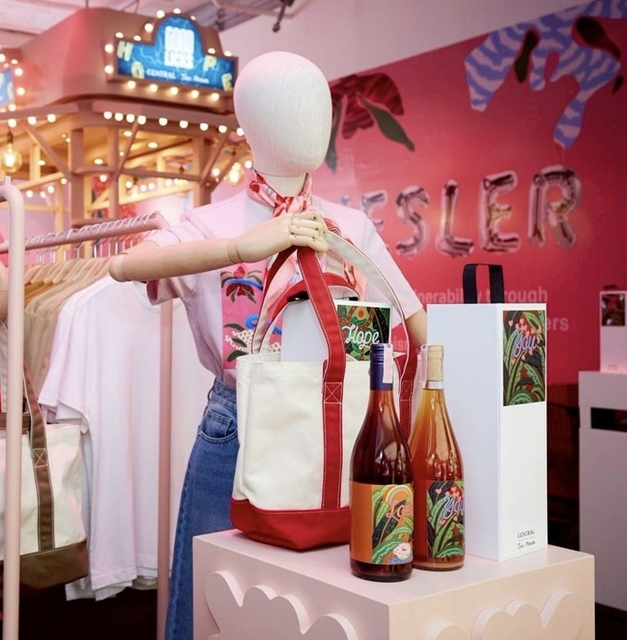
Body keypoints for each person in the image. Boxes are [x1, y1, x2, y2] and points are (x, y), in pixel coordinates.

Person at [109, 51, 426, 640]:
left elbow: (413, 321)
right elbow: (125, 267)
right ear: (247, 125)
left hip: (340, 419)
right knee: (210, 600)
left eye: (318, 105)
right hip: (239, 425)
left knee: (326, 602)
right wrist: (242, 248)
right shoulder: (211, 225)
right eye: (288, 106)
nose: (310, 121)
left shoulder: (350, 227)